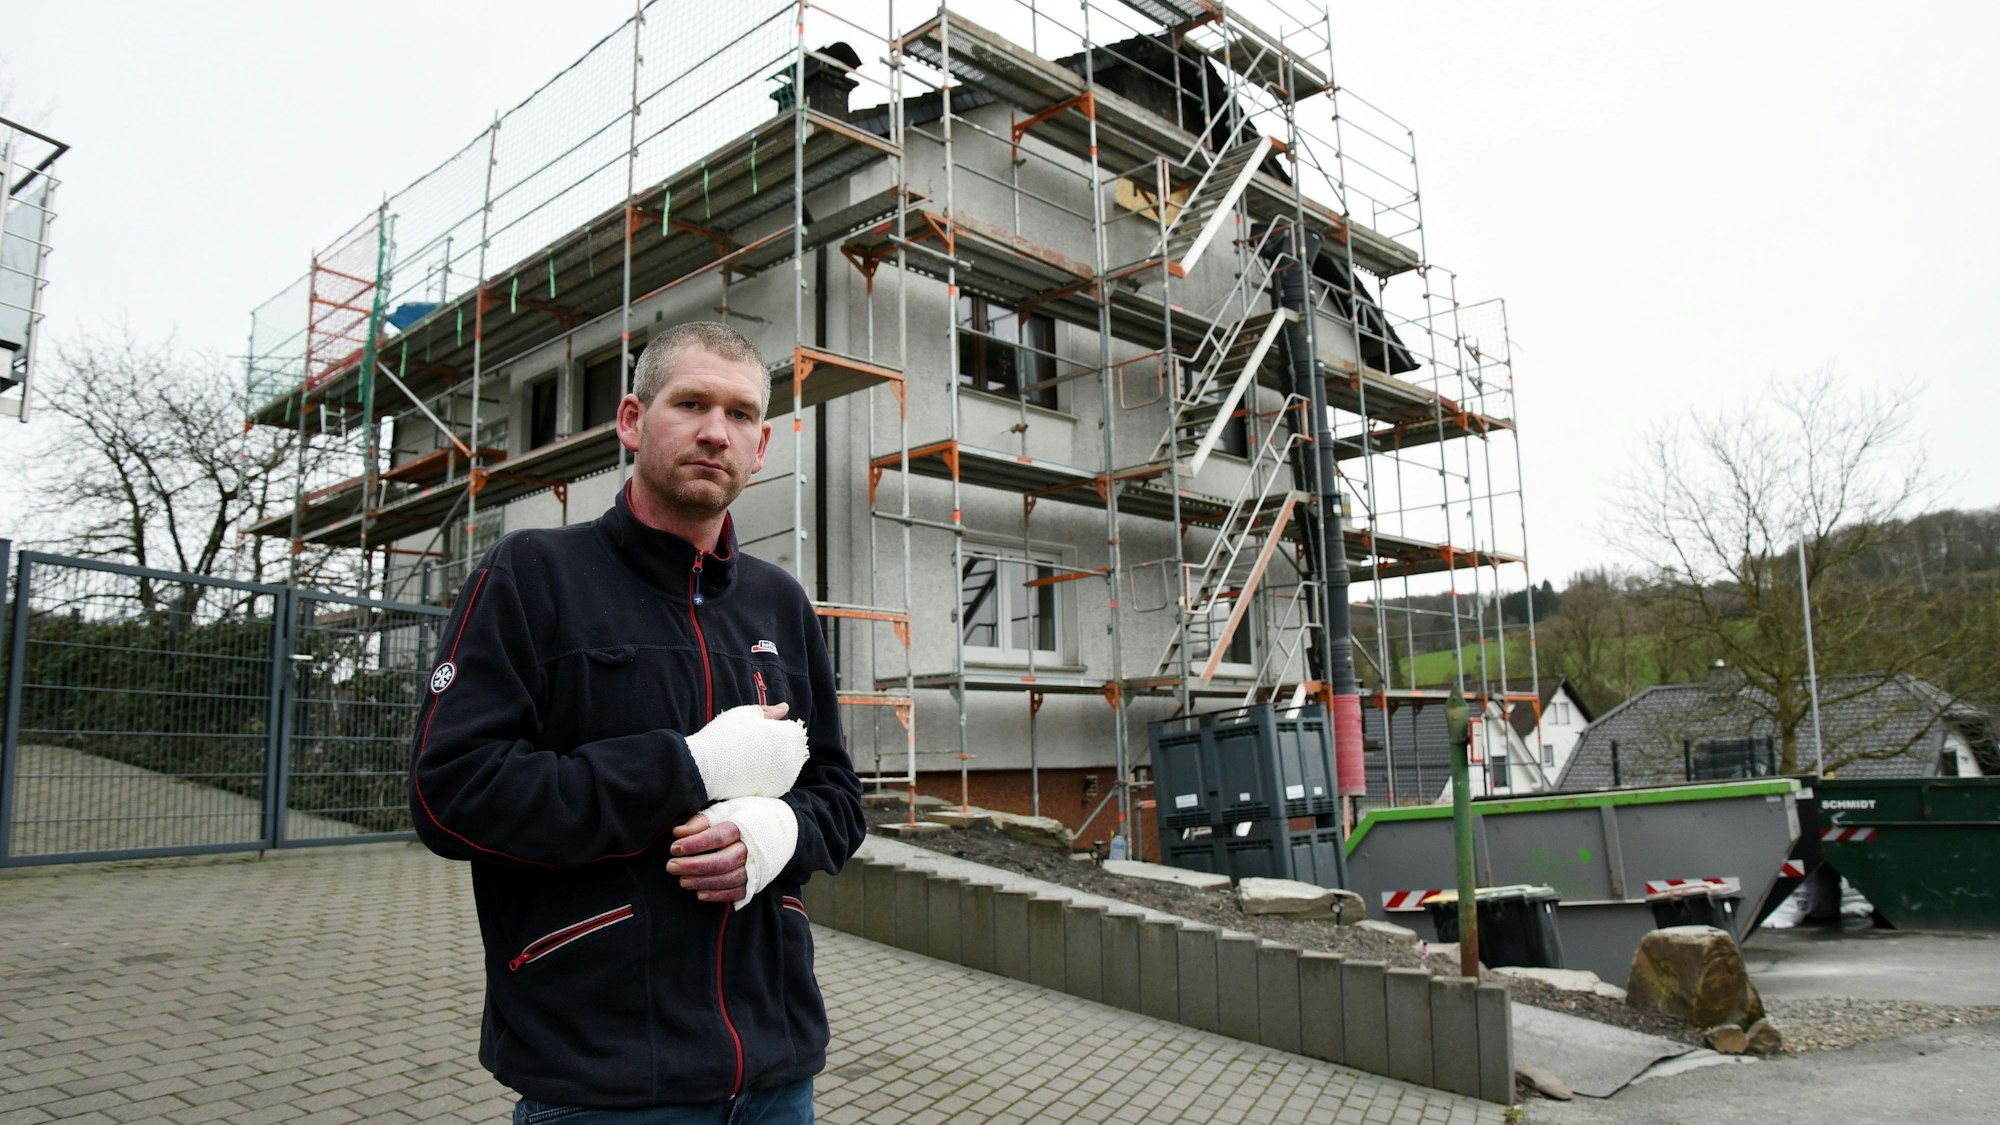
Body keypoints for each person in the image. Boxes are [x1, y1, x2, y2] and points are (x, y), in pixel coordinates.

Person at [409, 321, 864, 1123]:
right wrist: (689, 768)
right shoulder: (532, 574)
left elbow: (838, 796)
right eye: (690, 403)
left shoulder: (780, 602)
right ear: (631, 420)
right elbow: (452, 793)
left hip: (776, 1072)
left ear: (761, 447)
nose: (715, 431)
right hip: (604, 1078)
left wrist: (780, 833)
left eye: (741, 414)